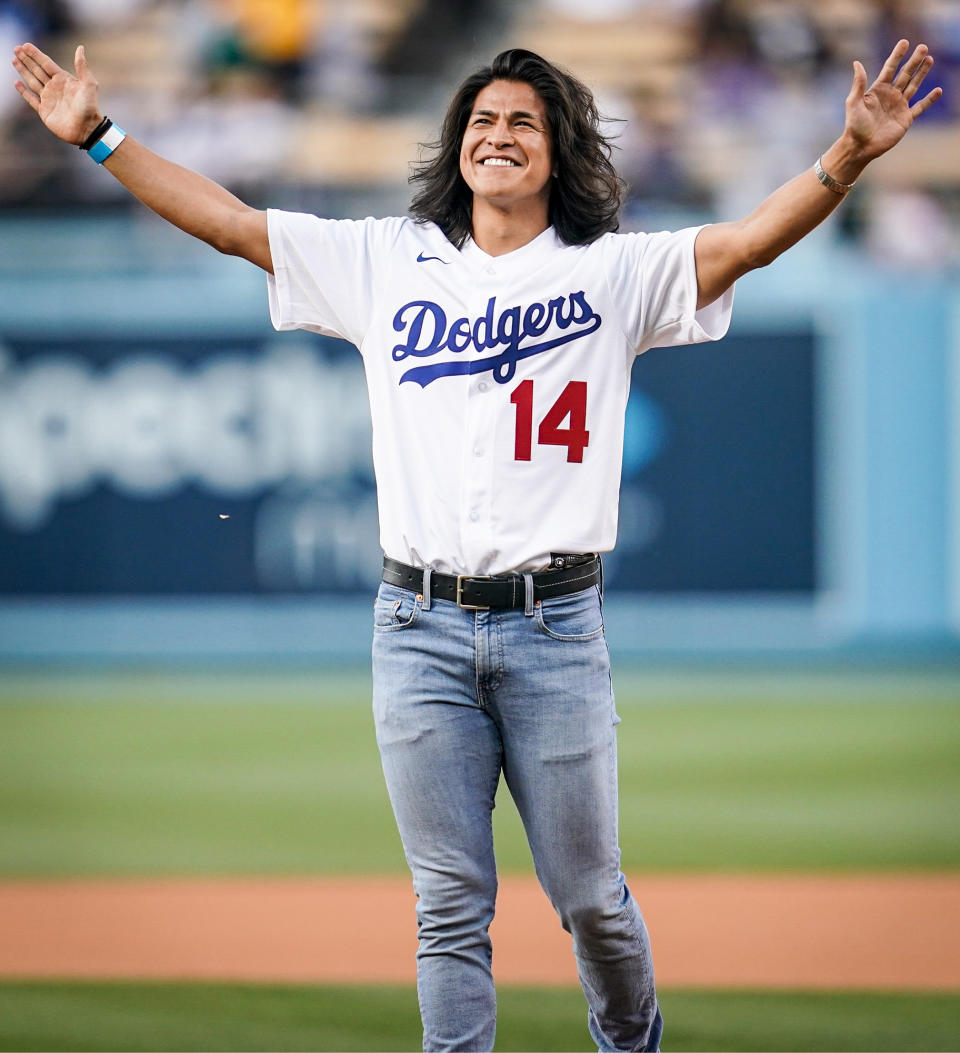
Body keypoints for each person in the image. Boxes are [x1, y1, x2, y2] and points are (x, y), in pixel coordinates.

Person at [12, 36, 941, 1053]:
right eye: (483, 121)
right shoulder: (383, 259)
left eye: (523, 123)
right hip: (415, 626)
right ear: (458, 145)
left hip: (556, 626)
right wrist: (101, 137)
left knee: (590, 897)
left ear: (559, 152)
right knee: (449, 904)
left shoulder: (611, 270)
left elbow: (748, 244)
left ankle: (631, 1041)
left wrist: (846, 157)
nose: (498, 135)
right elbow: (231, 224)